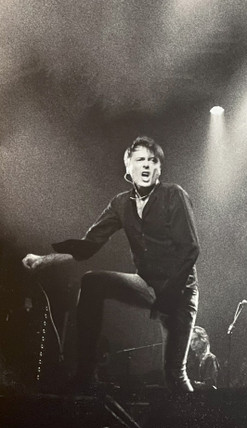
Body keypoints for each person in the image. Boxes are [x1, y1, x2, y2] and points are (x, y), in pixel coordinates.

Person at [22, 136, 200, 393]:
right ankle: (85, 375)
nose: (146, 165)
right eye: (140, 160)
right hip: (146, 283)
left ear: (159, 169)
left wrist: (169, 296)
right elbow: (88, 246)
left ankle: (196, 415)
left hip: (179, 291)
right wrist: (44, 259)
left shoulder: (174, 195)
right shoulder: (120, 203)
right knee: (92, 281)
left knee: (174, 374)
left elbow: (190, 249)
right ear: (128, 166)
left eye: (153, 161)